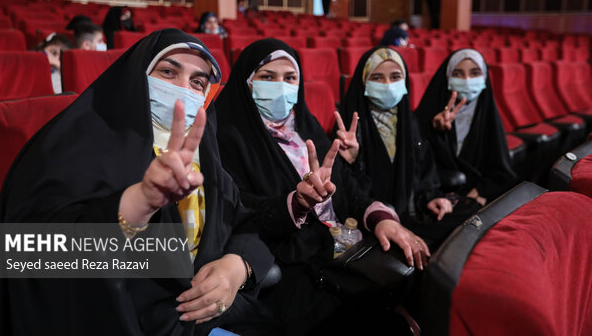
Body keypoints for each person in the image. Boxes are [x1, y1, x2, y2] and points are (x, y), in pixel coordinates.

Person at [0, 29, 276, 336]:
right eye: (168, 72)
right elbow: (32, 254)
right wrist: (139, 204)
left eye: (197, 82)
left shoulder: (203, 151)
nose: (183, 90)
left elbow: (243, 220)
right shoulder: (76, 143)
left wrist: (238, 267)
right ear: (136, 76)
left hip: (205, 320)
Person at [215, 38, 430, 335]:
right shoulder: (227, 137)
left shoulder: (306, 126)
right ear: (246, 83)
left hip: (342, 249)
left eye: (290, 78)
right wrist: (295, 203)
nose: (281, 86)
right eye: (267, 77)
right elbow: (238, 210)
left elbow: (347, 189)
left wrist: (380, 218)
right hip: (294, 266)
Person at [338, 47, 481, 248]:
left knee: (472, 217)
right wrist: (353, 161)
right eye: (377, 78)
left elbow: (423, 171)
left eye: (395, 77)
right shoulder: (349, 126)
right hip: (374, 220)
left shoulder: (409, 122)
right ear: (364, 83)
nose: (388, 85)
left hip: (412, 212)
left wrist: (431, 198)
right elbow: (348, 190)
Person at [415, 48, 517, 205]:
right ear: (447, 77)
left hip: (476, 198)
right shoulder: (429, 114)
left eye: (475, 73)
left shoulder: (487, 115)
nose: (467, 79)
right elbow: (417, 164)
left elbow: (500, 170)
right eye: (458, 74)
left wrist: (477, 194)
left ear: (484, 78)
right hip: (436, 197)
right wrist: (433, 130)